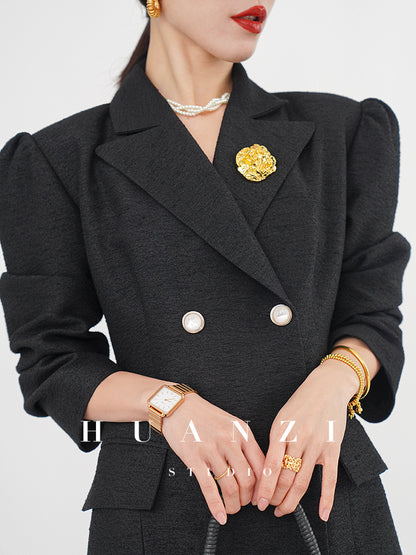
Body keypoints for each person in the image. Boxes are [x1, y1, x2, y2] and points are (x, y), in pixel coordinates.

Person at [0, 0, 411, 553]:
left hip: (324, 494)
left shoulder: (342, 131)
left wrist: (332, 385)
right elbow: (50, 361)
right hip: (166, 508)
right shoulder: (58, 159)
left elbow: (373, 312)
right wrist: (169, 406)